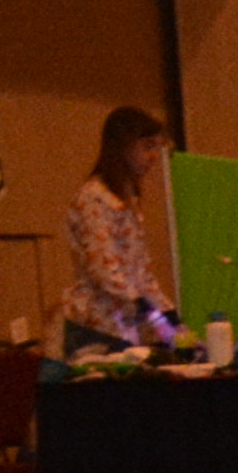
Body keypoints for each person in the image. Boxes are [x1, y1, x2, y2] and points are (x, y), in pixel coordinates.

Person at [63, 106, 180, 354]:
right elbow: (104, 269)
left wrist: (170, 317)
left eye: (156, 148)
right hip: (94, 328)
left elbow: (141, 273)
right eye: (147, 147)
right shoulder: (94, 198)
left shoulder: (128, 201)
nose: (153, 156)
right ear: (122, 147)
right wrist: (152, 312)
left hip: (123, 328)